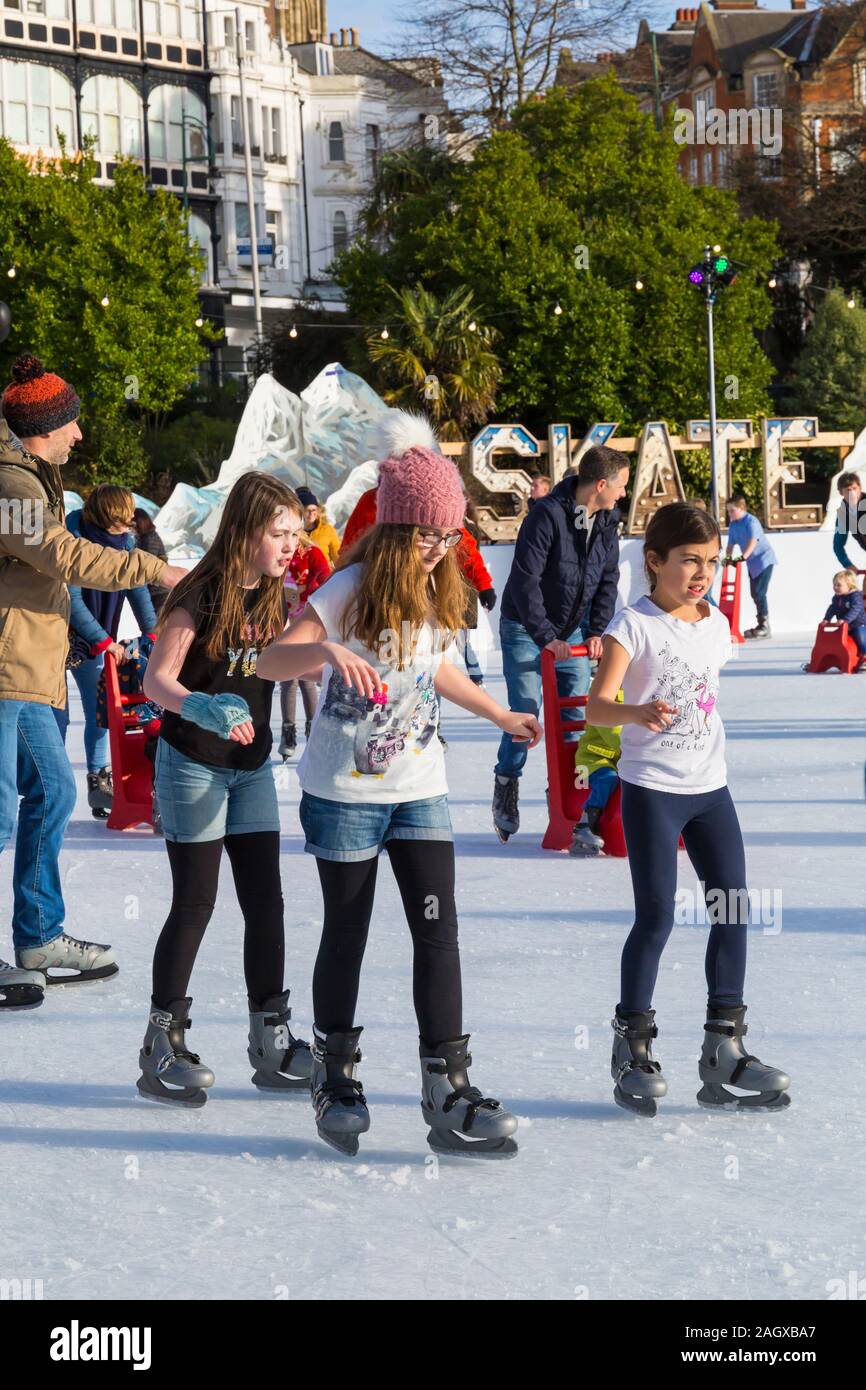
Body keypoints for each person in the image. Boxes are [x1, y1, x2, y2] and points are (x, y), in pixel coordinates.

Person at [257, 410, 541, 1158]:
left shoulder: (437, 585)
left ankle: (446, 1086)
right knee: (346, 933)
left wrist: (497, 712)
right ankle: (336, 1076)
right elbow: (267, 664)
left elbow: (434, 667)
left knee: (436, 932)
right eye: (425, 536)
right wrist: (325, 655)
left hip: (421, 787)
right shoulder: (347, 588)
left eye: (449, 537)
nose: (438, 549)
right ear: (392, 530)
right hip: (345, 793)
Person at [587, 501, 791, 1117]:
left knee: (732, 908)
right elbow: (596, 707)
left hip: (711, 789)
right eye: (687, 561)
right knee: (656, 917)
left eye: (709, 561)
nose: (700, 573)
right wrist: (636, 713)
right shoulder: (634, 626)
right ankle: (633, 1047)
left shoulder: (717, 623)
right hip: (652, 789)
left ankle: (723, 1048)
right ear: (655, 561)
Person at [0, 353, 184, 1008]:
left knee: (51, 794)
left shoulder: (31, 476)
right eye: (73, 423)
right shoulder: (8, 484)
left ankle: (39, 936)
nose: (80, 436)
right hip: (4, 669)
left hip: (29, 665)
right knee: (2, 811)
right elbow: (58, 554)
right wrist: (153, 572)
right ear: (45, 426)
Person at [138, 473, 312, 1106]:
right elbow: (158, 681)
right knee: (196, 902)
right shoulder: (199, 594)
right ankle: (163, 1043)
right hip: (193, 763)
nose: (291, 545)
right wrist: (200, 706)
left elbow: (292, 663)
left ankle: (270, 1040)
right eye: (279, 533)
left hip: (253, 767)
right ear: (245, 529)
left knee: (266, 899)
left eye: (296, 534)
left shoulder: (277, 595)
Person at [493, 445, 629, 842]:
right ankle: (507, 780)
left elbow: (607, 581)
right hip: (523, 626)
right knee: (525, 712)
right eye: (619, 485)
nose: (623, 493)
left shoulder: (607, 522)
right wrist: (544, 637)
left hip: (570, 630)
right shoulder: (546, 516)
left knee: (578, 715)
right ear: (600, 484)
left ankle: (570, 794)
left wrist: (595, 631)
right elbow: (525, 579)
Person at [55, 486, 158, 819]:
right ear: (103, 518)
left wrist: (152, 633)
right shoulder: (70, 538)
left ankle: (99, 781)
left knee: (100, 713)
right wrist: (105, 641)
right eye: (121, 521)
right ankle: (51, 785)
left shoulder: (125, 543)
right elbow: (72, 599)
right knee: (57, 716)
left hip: (97, 641)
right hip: (55, 637)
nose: (128, 526)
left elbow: (137, 588)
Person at [278, 529, 331, 759]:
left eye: (295, 533)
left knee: (307, 679)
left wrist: (308, 592)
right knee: (288, 680)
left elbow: (325, 575)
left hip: (306, 621)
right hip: (283, 619)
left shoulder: (312, 552)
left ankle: (312, 729)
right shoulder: (280, 551)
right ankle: (288, 731)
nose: (291, 539)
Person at [570, 689, 624, 857]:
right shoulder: (605, 696)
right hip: (592, 760)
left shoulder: (639, 692)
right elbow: (614, 734)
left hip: (619, 759)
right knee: (608, 779)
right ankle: (586, 824)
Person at [724, 493, 776, 639]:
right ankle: (761, 623)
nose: (729, 514)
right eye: (728, 511)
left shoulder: (752, 521)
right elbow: (730, 544)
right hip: (752, 563)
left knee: (759, 592)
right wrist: (728, 558)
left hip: (764, 560)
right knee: (754, 593)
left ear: (741, 508)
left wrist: (742, 557)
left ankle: (765, 626)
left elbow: (753, 541)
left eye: (732, 511)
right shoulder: (734, 525)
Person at [822, 569, 866, 666]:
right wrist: (827, 619)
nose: (835, 587)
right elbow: (832, 608)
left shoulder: (855, 596)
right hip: (845, 626)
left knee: (860, 638)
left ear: (849, 585)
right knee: (833, 639)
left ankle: (864, 656)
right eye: (834, 585)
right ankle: (830, 659)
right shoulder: (837, 597)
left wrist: (845, 620)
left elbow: (856, 609)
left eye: (839, 585)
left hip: (858, 625)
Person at [294, 486, 341, 568]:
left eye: (314, 510)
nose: (311, 513)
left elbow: (338, 558)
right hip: (298, 576)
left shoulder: (328, 530)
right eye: (307, 510)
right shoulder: (293, 531)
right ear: (300, 511)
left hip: (322, 576)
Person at [133, 507, 169, 614]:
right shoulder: (142, 538)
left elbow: (148, 565)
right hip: (152, 590)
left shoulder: (150, 539)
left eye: (132, 524)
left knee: (158, 625)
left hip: (158, 591)